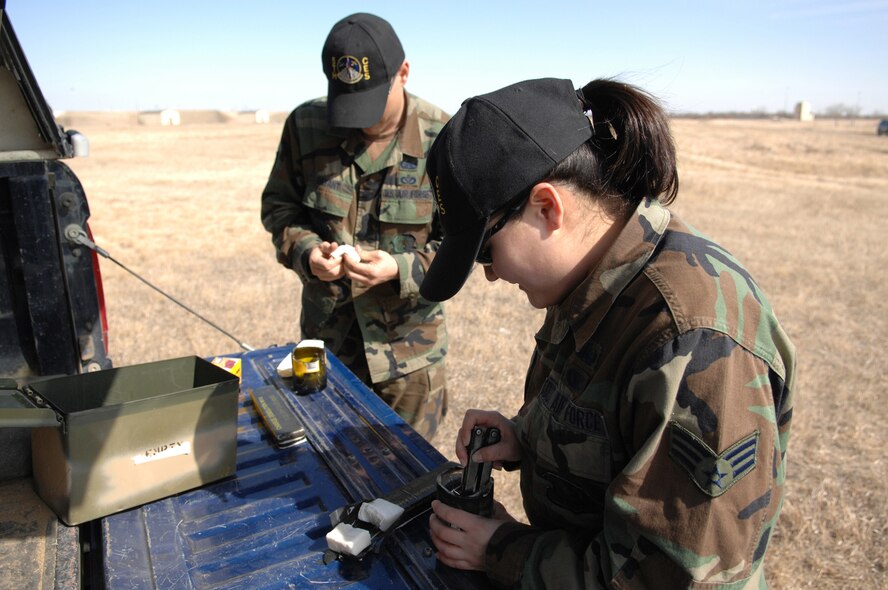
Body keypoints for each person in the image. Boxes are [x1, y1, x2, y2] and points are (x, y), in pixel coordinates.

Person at [421, 78, 796, 588]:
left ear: (547, 209)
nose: (489, 274)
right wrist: (524, 438)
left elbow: (670, 577)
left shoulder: (694, 339)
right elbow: (605, 421)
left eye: (486, 250)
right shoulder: (587, 278)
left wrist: (501, 550)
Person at [261, 13, 449, 438]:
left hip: (408, 355)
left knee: (408, 484)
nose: (360, 121)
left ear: (403, 72)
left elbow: (465, 246)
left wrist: (399, 269)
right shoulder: (307, 127)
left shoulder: (444, 138)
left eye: (371, 102)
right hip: (329, 345)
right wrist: (308, 252)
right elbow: (279, 208)